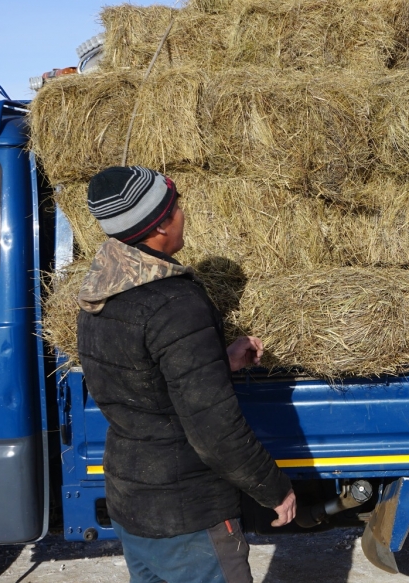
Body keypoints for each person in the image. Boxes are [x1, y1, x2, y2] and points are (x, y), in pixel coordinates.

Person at [76, 166, 295, 583]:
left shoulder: (98, 294)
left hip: (134, 504)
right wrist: (273, 488)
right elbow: (214, 428)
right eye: (176, 208)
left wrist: (214, 359)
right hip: (188, 515)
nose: (183, 215)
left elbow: (138, 379)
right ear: (159, 226)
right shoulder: (173, 303)